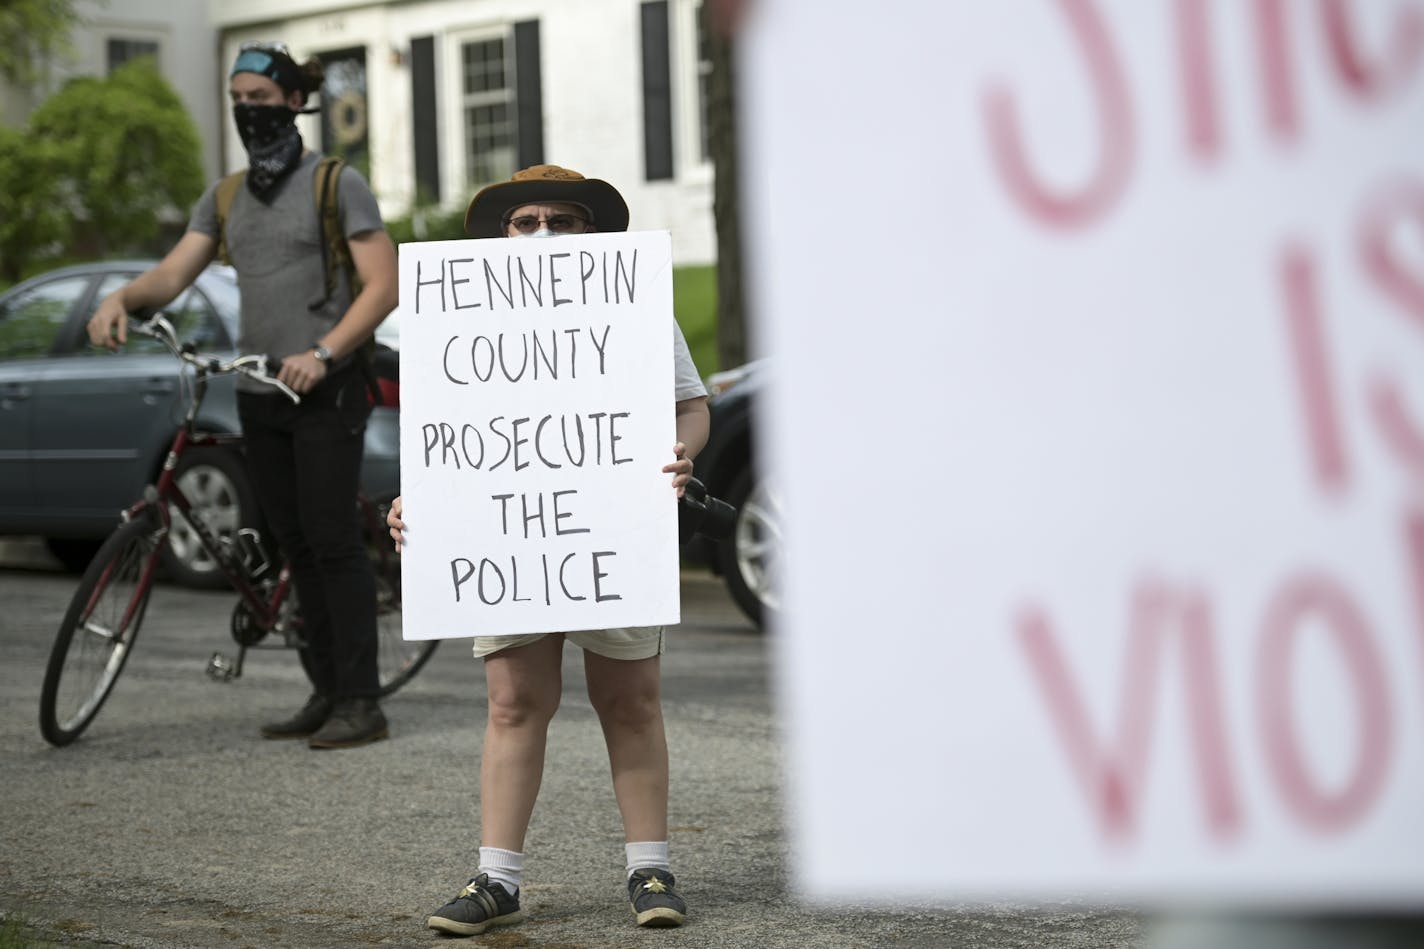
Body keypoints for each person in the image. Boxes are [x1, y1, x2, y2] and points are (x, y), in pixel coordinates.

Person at [385, 164, 710, 934]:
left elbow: (691, 405)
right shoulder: (455, 318)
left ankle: (650, 866)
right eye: (525, 220)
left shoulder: (636, 307)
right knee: (512, 702)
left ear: (589, 232)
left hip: (612, 530)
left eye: (560, 219)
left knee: (629, 700)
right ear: (501, 236)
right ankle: (496, 879)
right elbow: (444, 437)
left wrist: (677, 457)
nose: (541, 233)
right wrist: (420, 504)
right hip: (508, 538)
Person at [87, 42, 399, 749]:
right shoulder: (225, 197)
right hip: (261, 391)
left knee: (331, 537)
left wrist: (323, 353)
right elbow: (170, 276)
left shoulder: (335, 183)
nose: (246, 110)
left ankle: (362, 700)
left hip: (327, 387)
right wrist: (121, 297)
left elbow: (385, 284)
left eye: (260, 97)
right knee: (293, 542)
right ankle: (325, 689)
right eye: (238, 98)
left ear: (295, 101)